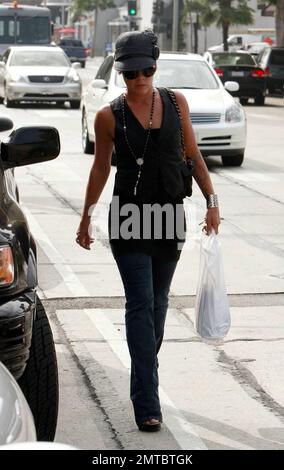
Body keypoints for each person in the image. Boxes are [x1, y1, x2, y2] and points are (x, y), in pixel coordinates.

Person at [76, 30, 220, 432]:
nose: (139, 78)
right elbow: (100, 169)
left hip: (170, 217)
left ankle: (143, 369)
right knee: (140, 303)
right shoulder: (108, 116)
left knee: (157, 305)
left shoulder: (177, 102)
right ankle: (147, 399)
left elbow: (192, 154)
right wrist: (86, 215)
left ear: (156, 66)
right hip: (129, 219)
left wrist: (212, 201)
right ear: (121, 73)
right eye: (130, 73)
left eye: (146, 70)